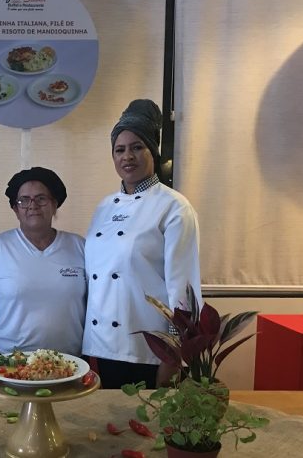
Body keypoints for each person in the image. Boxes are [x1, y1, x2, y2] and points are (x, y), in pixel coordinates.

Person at [82, 99, 202, 389]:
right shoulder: (104, 207)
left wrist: (172, 357)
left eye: (137, 147)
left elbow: (183, 291)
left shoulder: (174, 207)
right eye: (119, 149)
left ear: (153, 151)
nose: (128, 156)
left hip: (150, 350)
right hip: (103, 346)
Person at [0, 167, 86, 357]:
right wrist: (0, 323)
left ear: (55, 204)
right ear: (15, 209)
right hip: (8, 358)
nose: (33, 205)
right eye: (24, 200)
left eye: (41, 198)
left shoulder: (79, 246)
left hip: (69, 360)